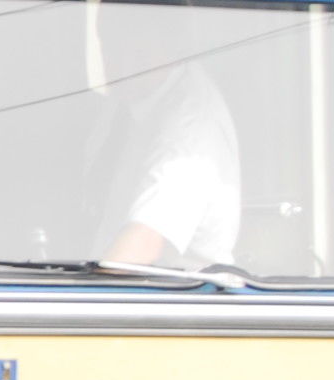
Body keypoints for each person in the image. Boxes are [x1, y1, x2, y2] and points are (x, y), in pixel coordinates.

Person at [96, 55, 245, 271]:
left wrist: (75, 298)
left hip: (168, 297)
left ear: (171, 44)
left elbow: (143, 243)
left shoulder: (191, 128)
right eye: (108, 40)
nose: (119, 60)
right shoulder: (128, 97)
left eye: (138, 50)